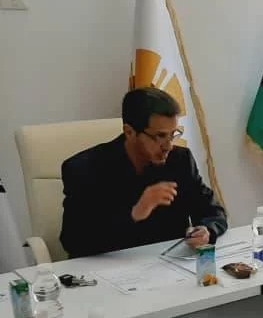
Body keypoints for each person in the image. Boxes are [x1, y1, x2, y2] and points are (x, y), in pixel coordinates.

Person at [60, 87, 227, 258]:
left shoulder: (180, 160)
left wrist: (207, 230)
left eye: (173, 134)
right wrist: (135, 213)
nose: (168, 146)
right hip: (109, 267)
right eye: (160, 136)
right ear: (129, 132)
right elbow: (74, 241)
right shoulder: (84, 169)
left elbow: (213, 212)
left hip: (170, 265)